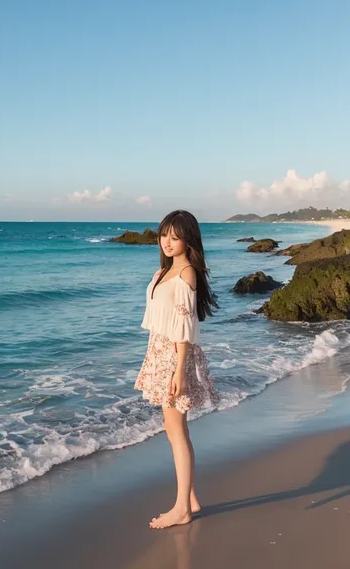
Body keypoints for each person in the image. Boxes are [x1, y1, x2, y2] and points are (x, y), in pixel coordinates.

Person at [134, 209, 220, 529]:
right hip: (159, 351)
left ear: (188, 239)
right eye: (164, 235)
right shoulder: (164, 272)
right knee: (174, 431)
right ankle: (190, 498)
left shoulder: (186, 274)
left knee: (177, 431)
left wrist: (179, 370)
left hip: (174, 355)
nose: (167, 242)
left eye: (175, 236)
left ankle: (182, 508)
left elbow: (184, 327)